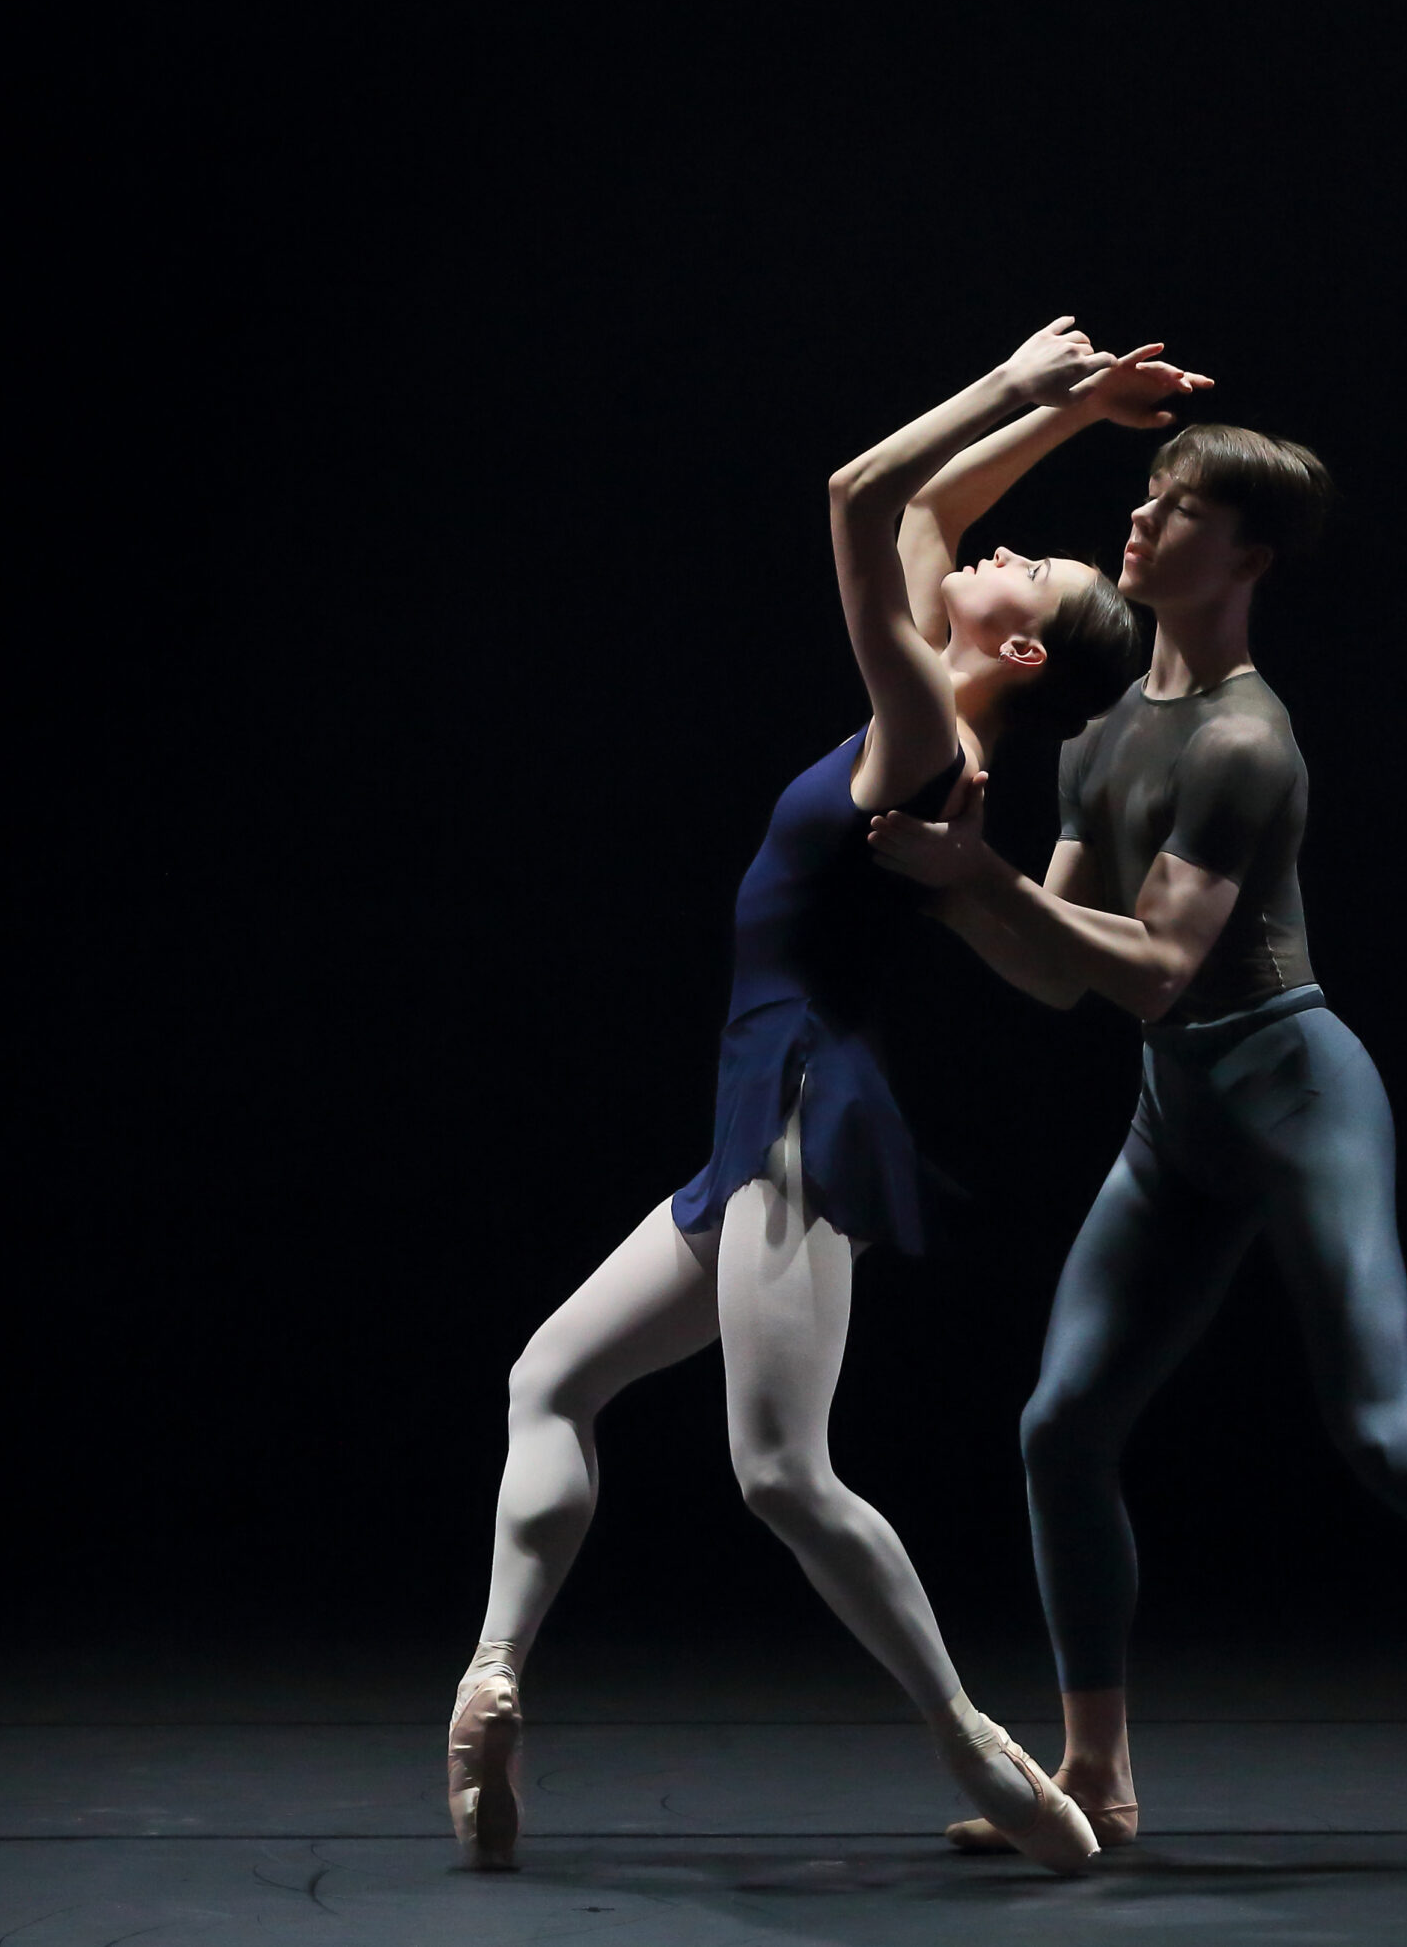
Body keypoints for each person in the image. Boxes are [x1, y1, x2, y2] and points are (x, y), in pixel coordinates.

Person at [868, 419, 1407, 1872]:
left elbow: (1157, 967)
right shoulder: (1104, 732)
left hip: (1295, 1091)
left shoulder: (1246, 740)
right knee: (1061, 1427)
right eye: (1150, 493)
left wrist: (979, 875)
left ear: (1248, 558)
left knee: (1386, 1433)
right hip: (1179, 1115)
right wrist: (951, 889)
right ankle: (1098, 1773)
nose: (1142, 519)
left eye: (1181, 509)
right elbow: (1058, 974)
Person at [447, 319, 1195, 1875]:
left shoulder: (924, 728)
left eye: (1031, 567)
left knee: (782, 1470)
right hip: (756, 1118)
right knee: (550, 1376)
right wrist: (1072, 416)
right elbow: (926, 513)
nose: (999, 549)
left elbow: (864, 498)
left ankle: (971, 1737)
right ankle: (493, 1673)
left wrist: (1020, 384)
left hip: (800, 1109)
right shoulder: (927, 710)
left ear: (1021, 653)